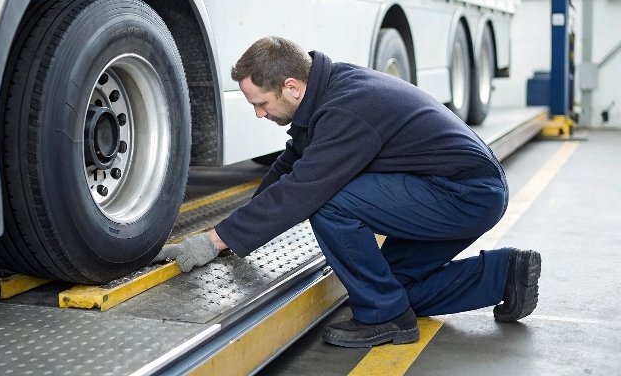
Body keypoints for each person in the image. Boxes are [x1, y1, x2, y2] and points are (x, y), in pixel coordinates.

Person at [154, 36, 541, 348]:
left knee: (331, 201)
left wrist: (214, 240)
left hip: (464, 193)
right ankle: (504, 274)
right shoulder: (327, 92)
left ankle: (383, 317)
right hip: (457, 189)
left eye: (261, 103)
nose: (259, 113)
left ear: (290, 87)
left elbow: (302, 189)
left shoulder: (347, 108)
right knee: (398, 288)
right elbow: (290, 165)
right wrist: (231, 234)